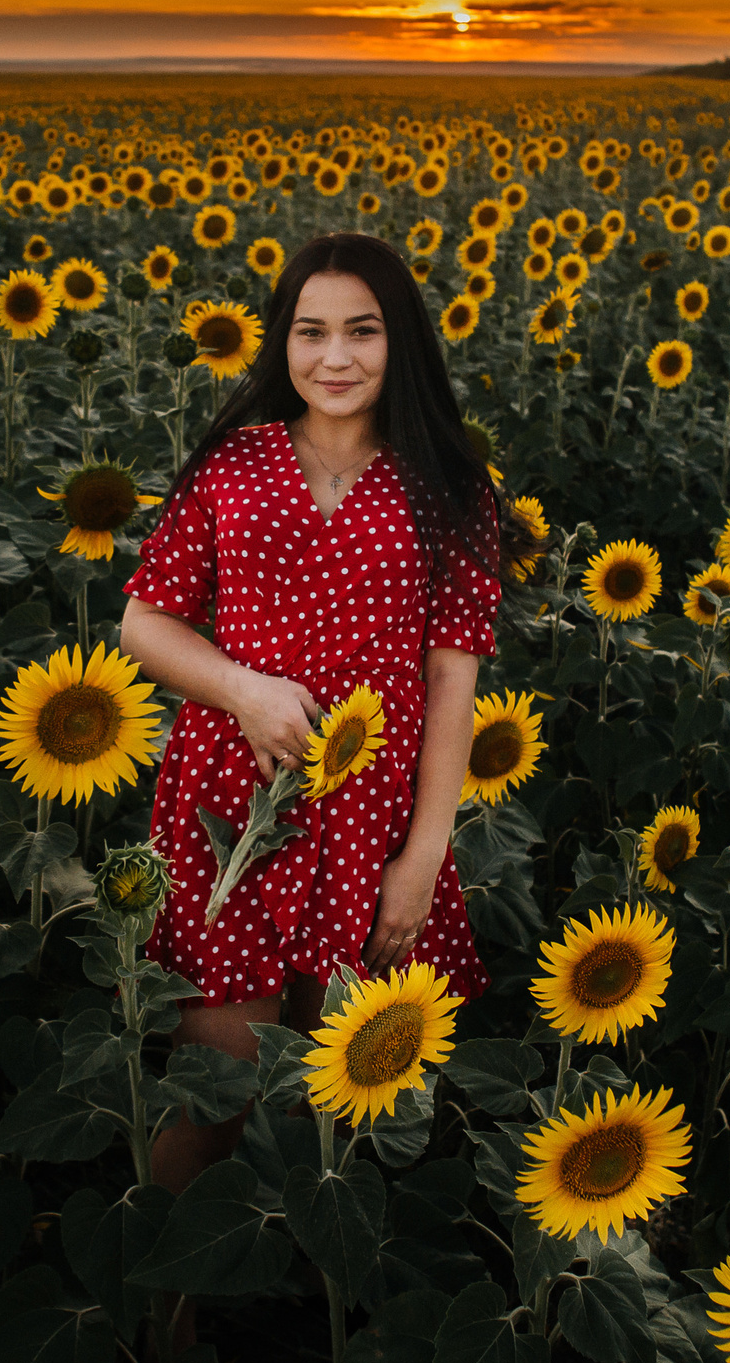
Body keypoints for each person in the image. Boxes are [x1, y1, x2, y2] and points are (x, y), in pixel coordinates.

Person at [120, 230, 502, 1195]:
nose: (335, 357)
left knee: (326, 1088)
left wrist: (422, 856)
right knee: (220, 1087)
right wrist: (243, 689)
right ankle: (168, 1310)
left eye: (362, 331)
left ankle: (277, 1275)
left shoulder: (450, 486)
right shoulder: (232, 466)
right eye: (311, 332)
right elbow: (144, 625)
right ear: (281, 345)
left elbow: (453, 682)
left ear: (400, 341)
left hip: (371, 818)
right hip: (230, 812)